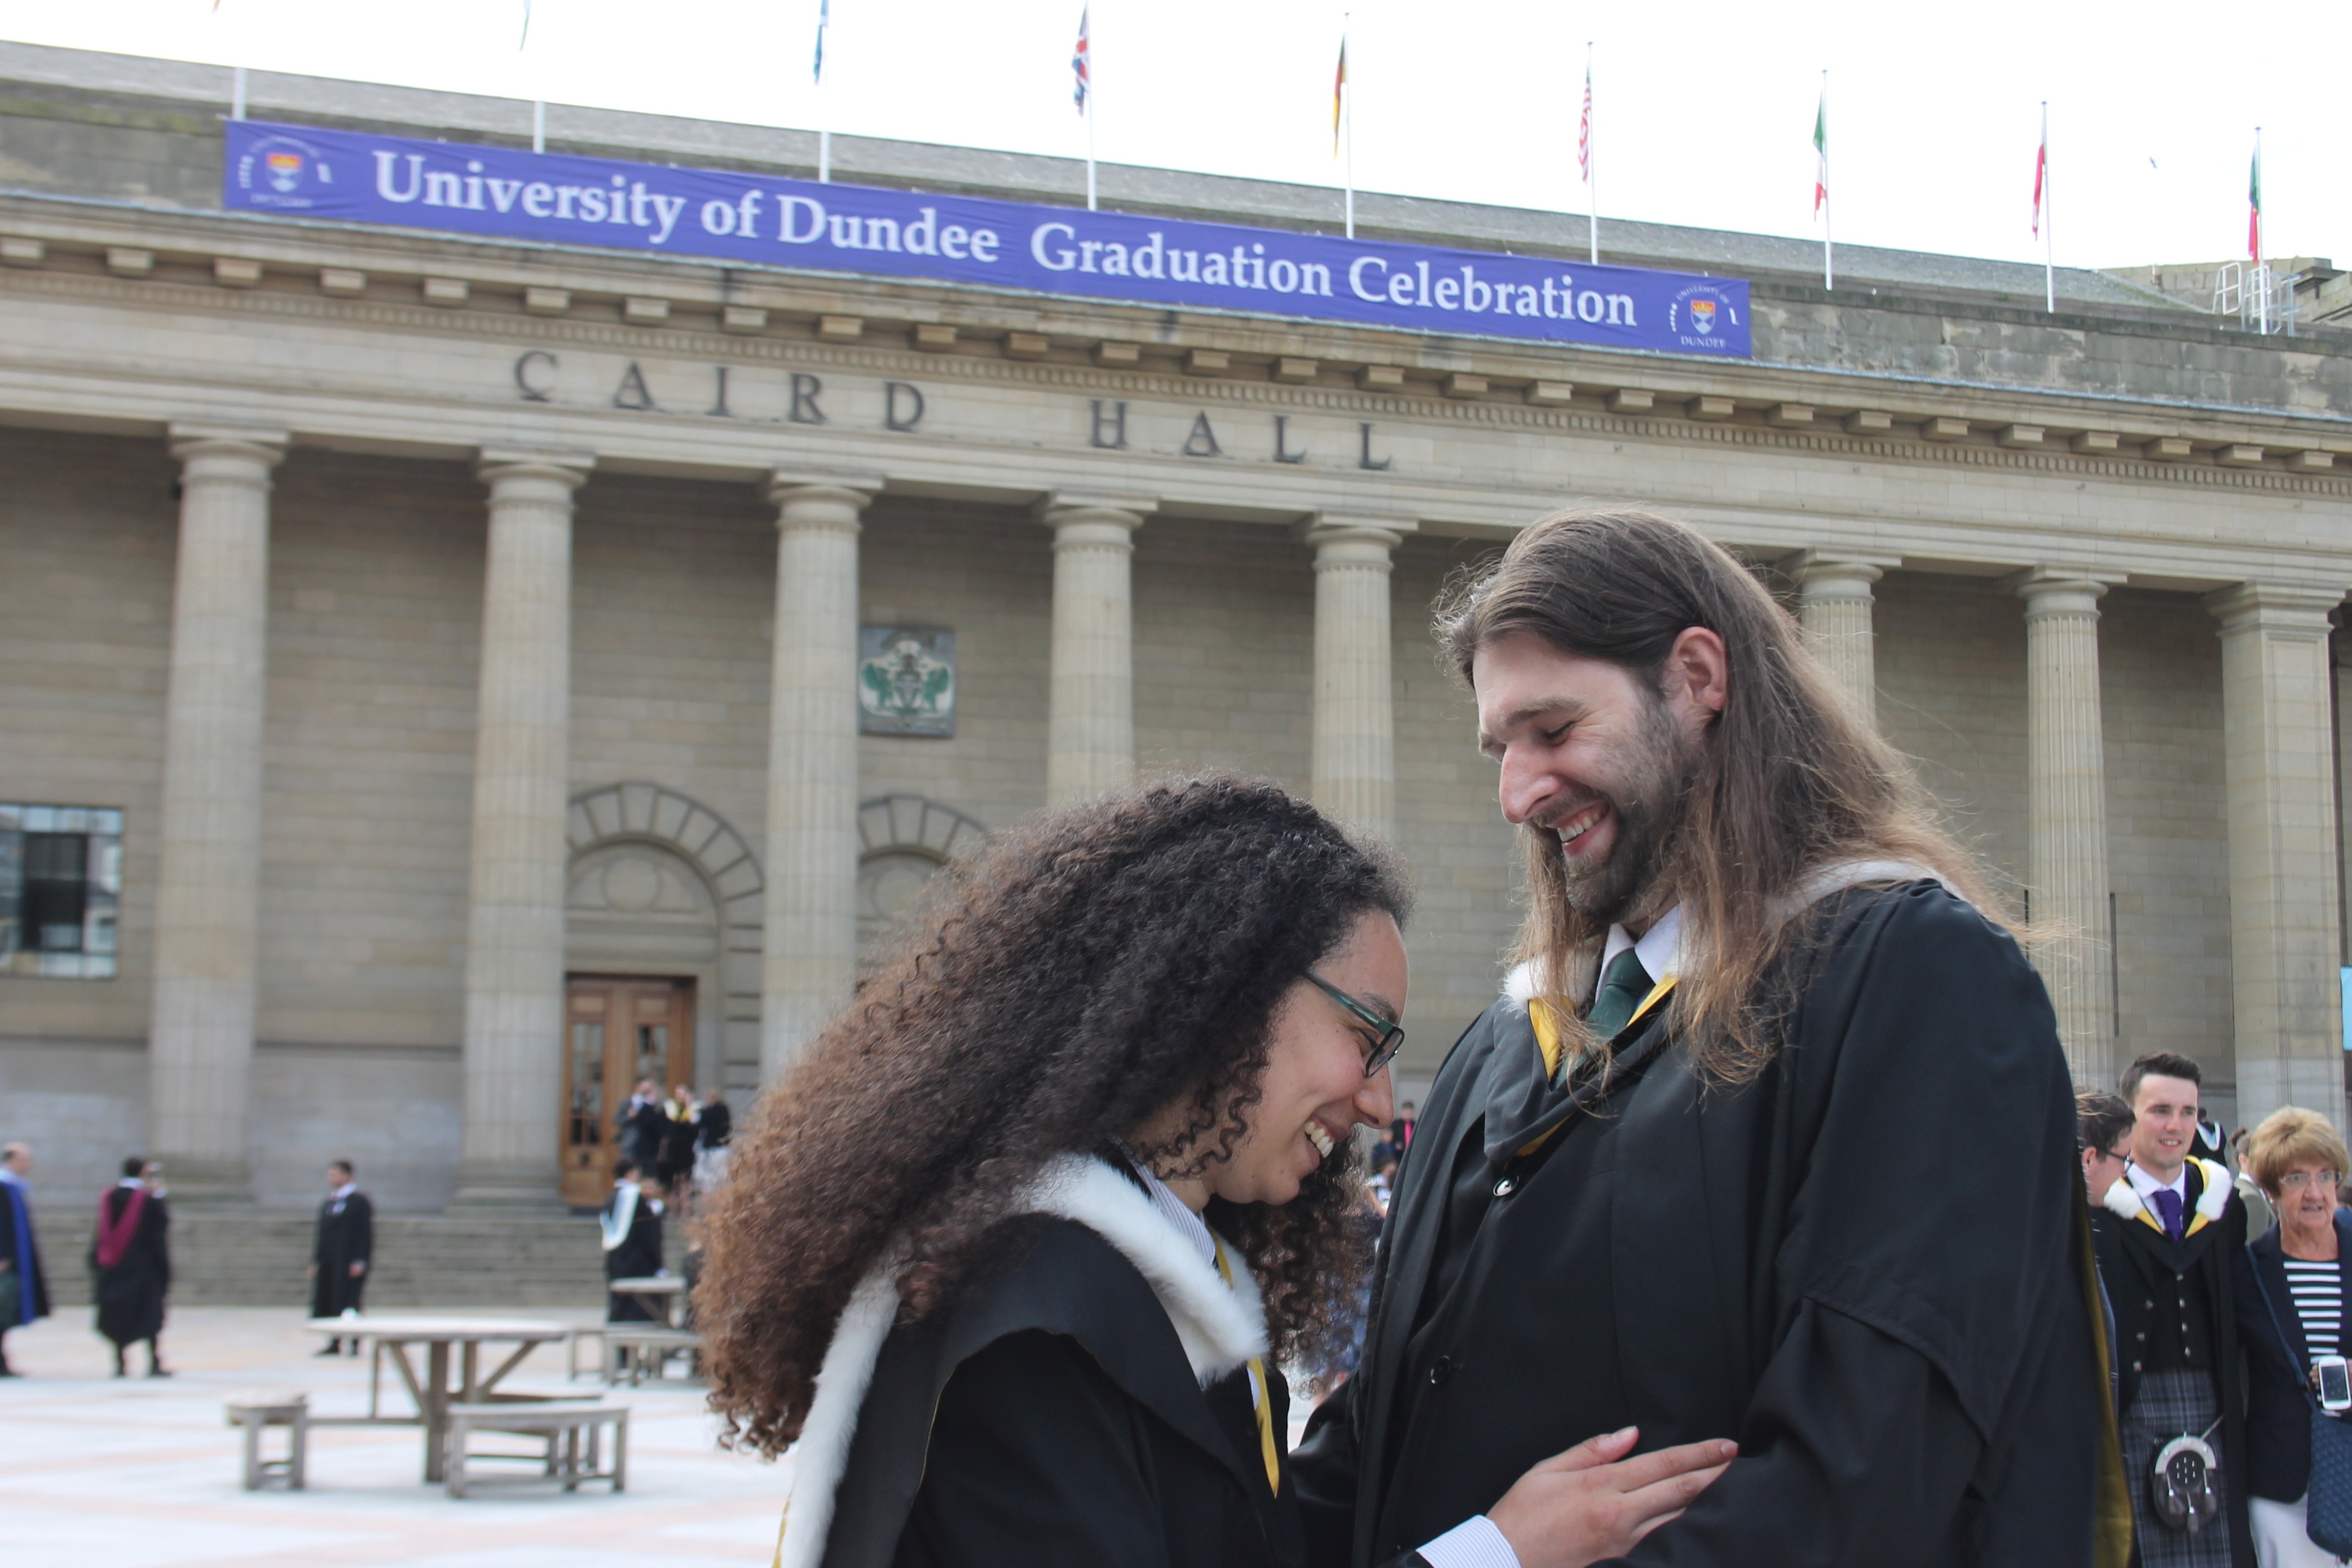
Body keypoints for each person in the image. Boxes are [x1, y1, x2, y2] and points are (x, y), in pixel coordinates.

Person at [1291, 509, 2117, 1568]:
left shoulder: (1911, 980)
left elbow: (1858, 1478)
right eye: (1502, 748)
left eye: (1553, 730)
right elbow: (1377, 1440)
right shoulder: (1511, 1038)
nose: (1517, 793)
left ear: (1695, 678)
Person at [700, 777, 1732, 1568]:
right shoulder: (1030, 1319)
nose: (1379, 1102)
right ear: (1222, 997)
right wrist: (1493, 1553)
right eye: (1366, 1037)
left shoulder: (1137, 1290)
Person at [2094, 1050, 2250, 1567]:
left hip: (2213, 1404)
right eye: (2160, 1110)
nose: (2176, 1125)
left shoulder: (2224, 1207)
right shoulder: (2100, 1210)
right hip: (2132, 1408)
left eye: (2189, 1112)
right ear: (2130, 1114)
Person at [2234, 1107, 2352, 1568]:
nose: (2316, 1193)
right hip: (2283, 1483)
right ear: (2269, 1191)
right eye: (2297, 1179)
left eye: (2326, 1176)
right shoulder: (2245, 1272)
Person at [91, 1156, 171, 1379]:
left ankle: (120, 1363)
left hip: (113, 1268)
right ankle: (154, 1362)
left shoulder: (109, 1196)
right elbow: (159, 1234)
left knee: (118, 1315)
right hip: (143, 1269)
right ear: (144, 1173)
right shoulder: (149, 1200)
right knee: (148, 1315)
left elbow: (99, 1234)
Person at [309, 1159, 372, 1354]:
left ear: (348, 1175)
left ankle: (354, 1342)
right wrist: (317, 1261)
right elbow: (322, 1234)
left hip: (349, 1261)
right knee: (331, 1299)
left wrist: (360, 1260)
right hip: (330, 1261)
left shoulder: (359, 1202)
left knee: (349, 1300)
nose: (332, 1178)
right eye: (331, 1175)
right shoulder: (330, 1202)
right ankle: (334, 1342)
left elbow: (364, 1233)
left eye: (336, 1174)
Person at [0, 1141, 51, 1376]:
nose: (28, 1164)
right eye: (24, 1159)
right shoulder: (3, 1186)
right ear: (12, 1160)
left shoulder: (13, 1186)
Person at [601, 1160, 665, 1321]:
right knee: (638, 1307)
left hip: (615, 1259)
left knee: (618, 1304)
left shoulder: (611, 1197)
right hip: (637, 1261)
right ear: (630, 1173)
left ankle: (618, 1342)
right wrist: (657, 1262)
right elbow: (648, 1233)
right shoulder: (635, 1197)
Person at [657, 1085, 703, 1204]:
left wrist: (689, 1107)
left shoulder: (693, 1111)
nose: (680, 1097)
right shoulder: (669, 1110)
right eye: (678, 1094)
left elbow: (696, 1129)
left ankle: (684, 1208)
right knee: (672, 1182)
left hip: (687, 1150)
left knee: (685, 1180)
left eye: (683, 1094)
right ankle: (672, 1207)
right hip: (672, 1150)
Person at [615, 1079, 661, 1167]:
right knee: (628, 1170)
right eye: (644, 1088)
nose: (646, 1091)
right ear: (637, 1087)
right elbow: (617, 1120)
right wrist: (629, 1116)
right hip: (630, 1144)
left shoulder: (654, 1105)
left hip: (648, 1146)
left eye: (649, 1089)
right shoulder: (626, 1103)